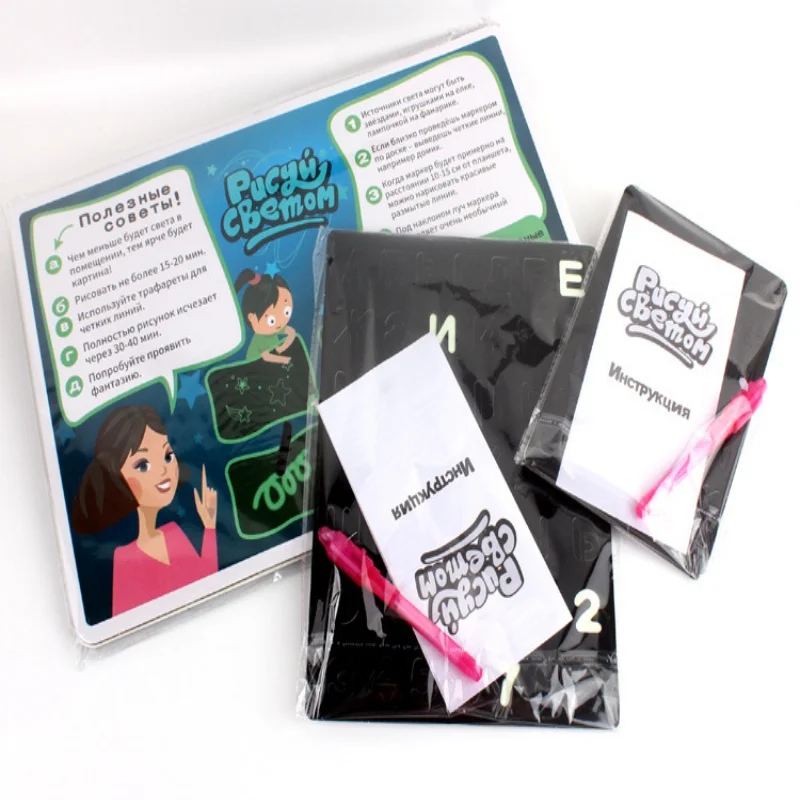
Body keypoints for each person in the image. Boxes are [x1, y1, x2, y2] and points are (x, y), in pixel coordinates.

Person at [71, 405, 218, 617]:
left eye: (167, 456)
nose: (164, 470)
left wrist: (210, 525)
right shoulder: (124, 560)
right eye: (143, 465)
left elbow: (209, 581)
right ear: (116, 478)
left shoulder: (173, 532)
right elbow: (126, 623)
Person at [234, 270, 296, 364]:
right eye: (271, 320)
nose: (280, 322)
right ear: (252, 318)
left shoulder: (275, 327)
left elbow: (291, 332)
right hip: (256, 367)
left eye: (286, 312)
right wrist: (285, 360)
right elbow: (267, 357)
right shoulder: (261, 338)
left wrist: (282, 348)